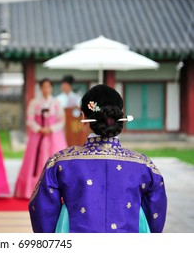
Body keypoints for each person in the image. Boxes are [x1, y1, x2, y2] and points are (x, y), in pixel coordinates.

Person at [29, 84, 167, 233]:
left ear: (83, 117)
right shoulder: (143, 164)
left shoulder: (60, 162)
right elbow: (155, 213)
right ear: (120, 117)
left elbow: (42, 210)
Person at [15, 78, 67, 199]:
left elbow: (62, 119)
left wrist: (51, 128)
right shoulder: (35, 103)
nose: (46, 89)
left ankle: (55, 188)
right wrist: (39, 128)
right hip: (37, 136)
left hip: (54, 137)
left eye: (48, 87)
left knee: (55, 160)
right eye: (44, 87)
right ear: (40, 88)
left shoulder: (56, 103)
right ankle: (32, 189)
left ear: (51, 88)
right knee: (35, 161)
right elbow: (30, 119)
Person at [56, 75, 86, 147]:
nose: (64, 87)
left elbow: (81, 111)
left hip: (73, 125)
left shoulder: (77, 97)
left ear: (70, 86)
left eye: (66, 85)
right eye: (63, 85)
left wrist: (77, 108)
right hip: (61, 124)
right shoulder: (58, 99)